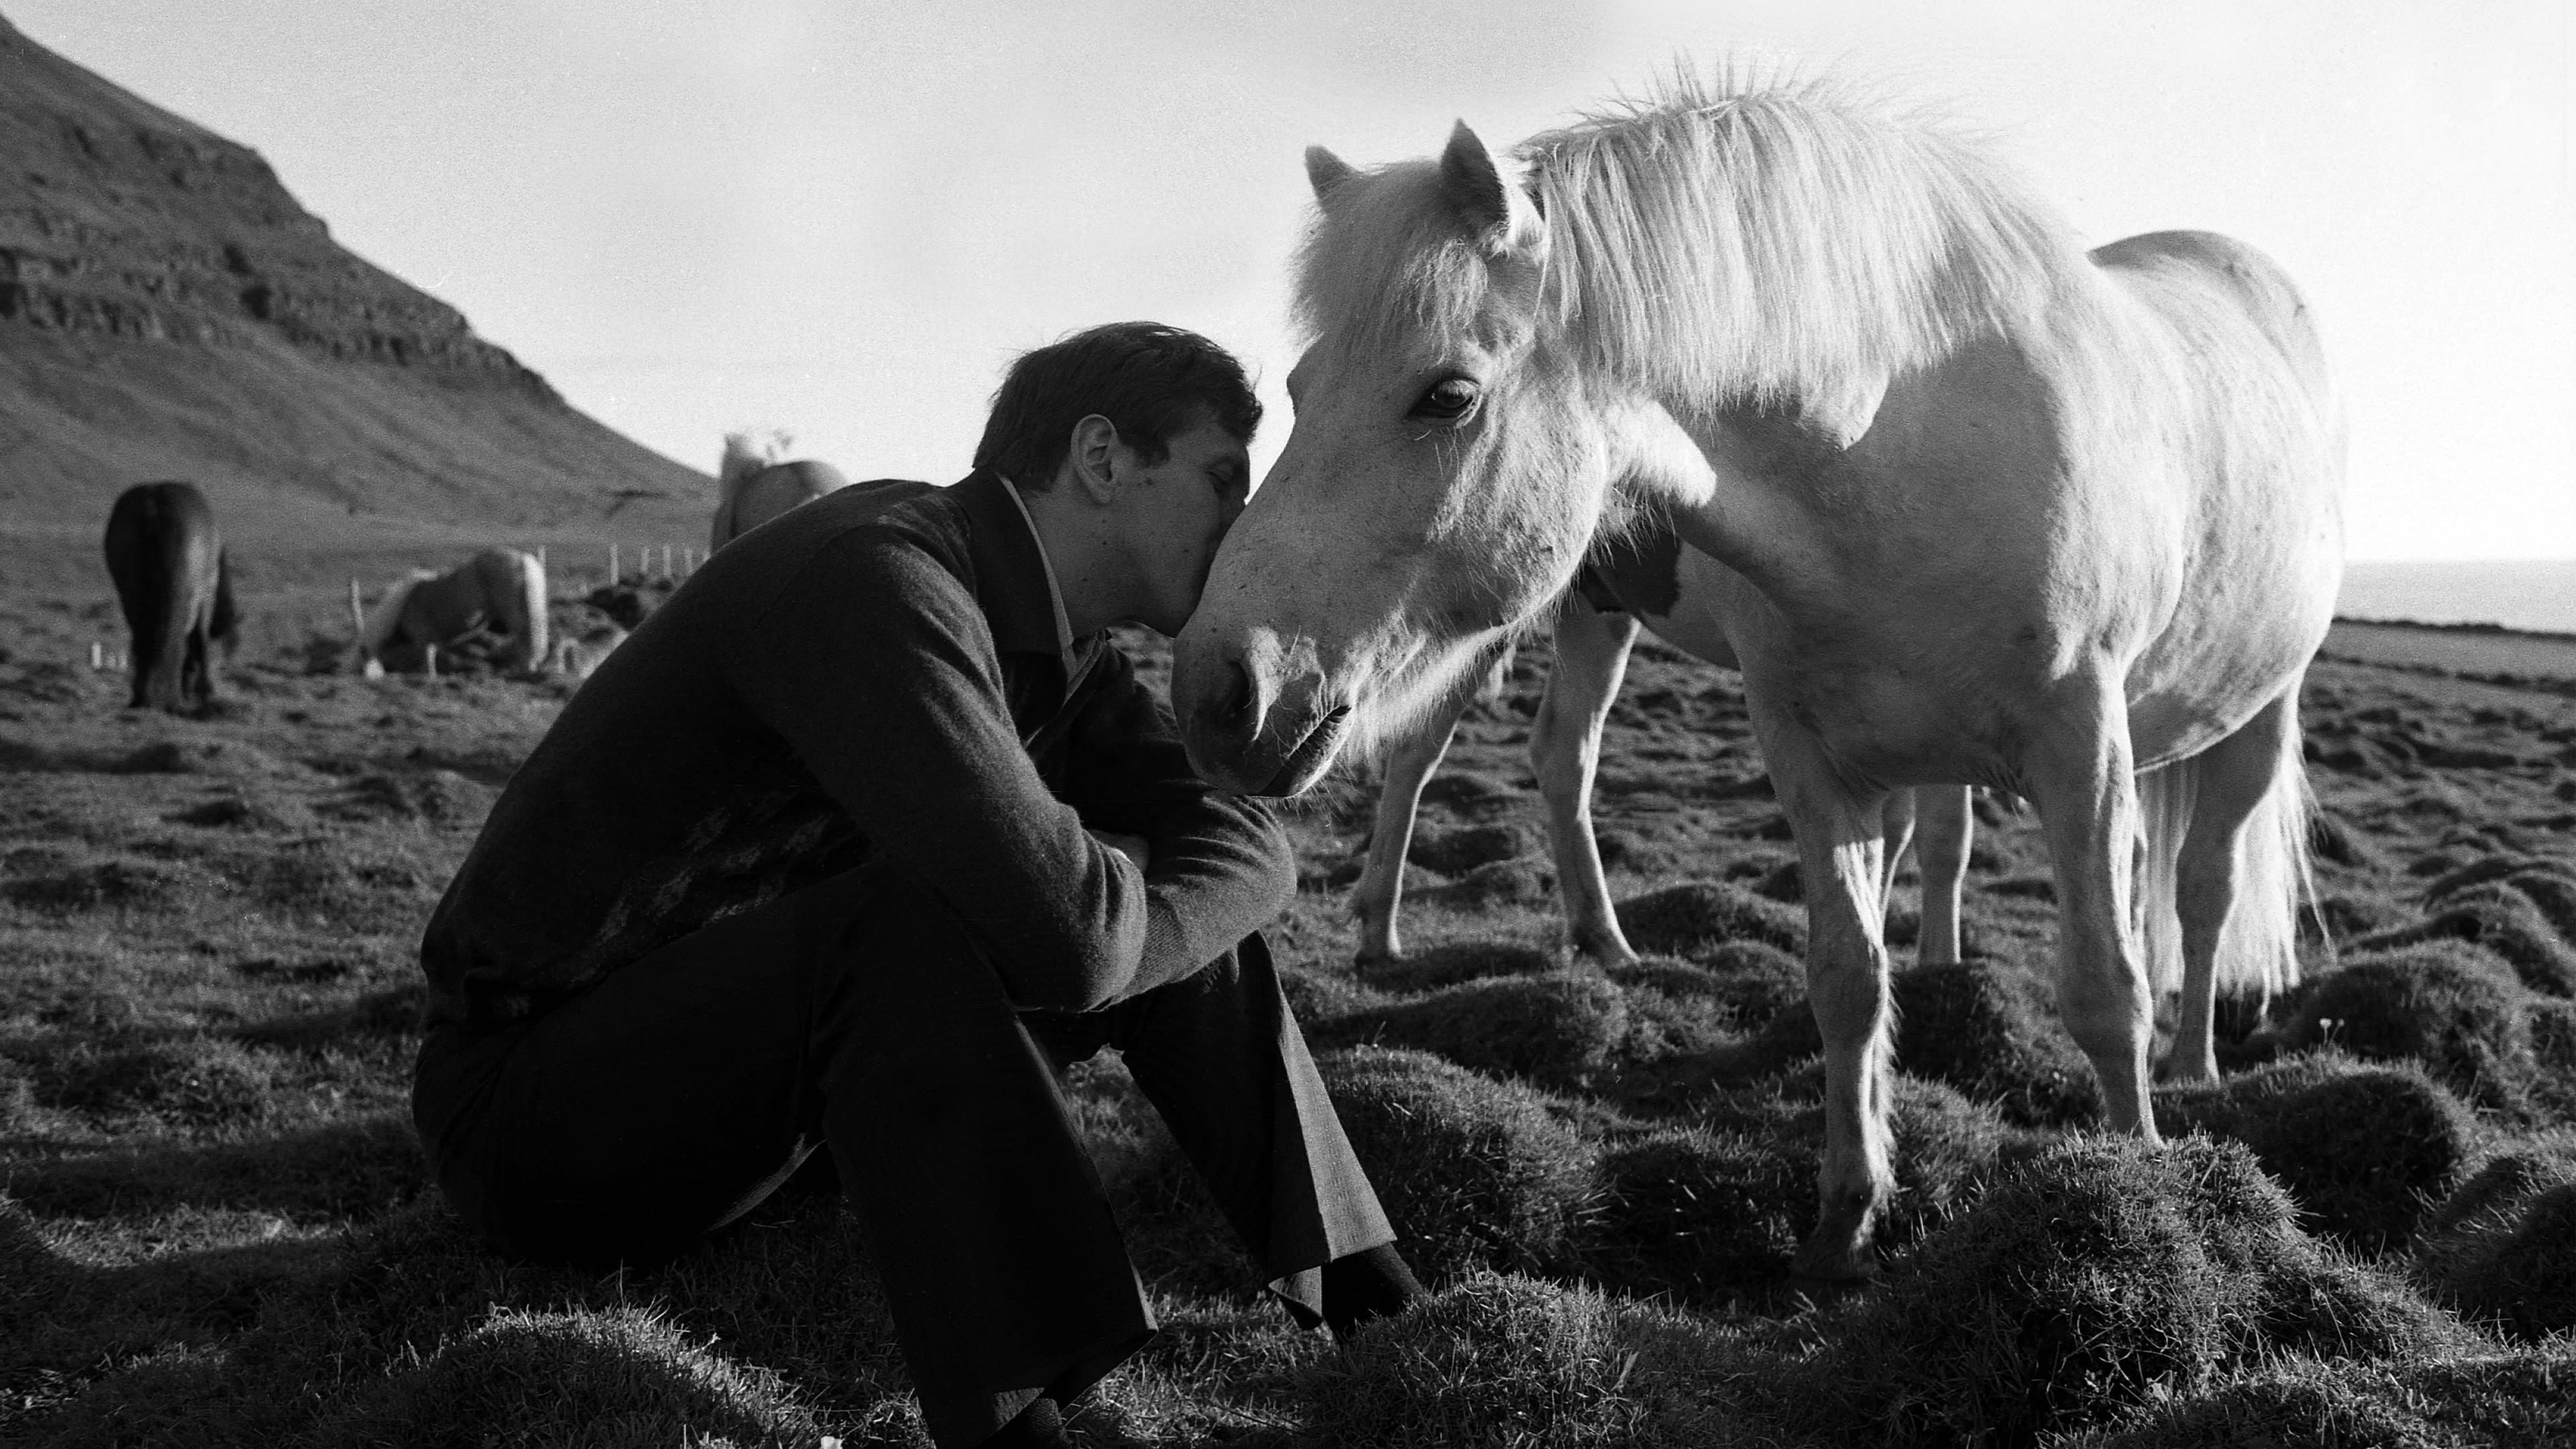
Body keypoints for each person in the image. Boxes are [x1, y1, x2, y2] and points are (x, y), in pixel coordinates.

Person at [410, 322, 1425, 1449]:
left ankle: (1368, 1307)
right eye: (1223, 479)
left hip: (751, 1111)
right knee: (914, 926)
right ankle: (1018, 1422)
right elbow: (1074, 944)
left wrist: (1141, 923)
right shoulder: (877, 576)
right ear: (1100, 459)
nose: (1246, 529)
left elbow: (1242, 841)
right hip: (531, 1118)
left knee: (1176, 912)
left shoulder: (1057, 648)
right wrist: (1120, 926)